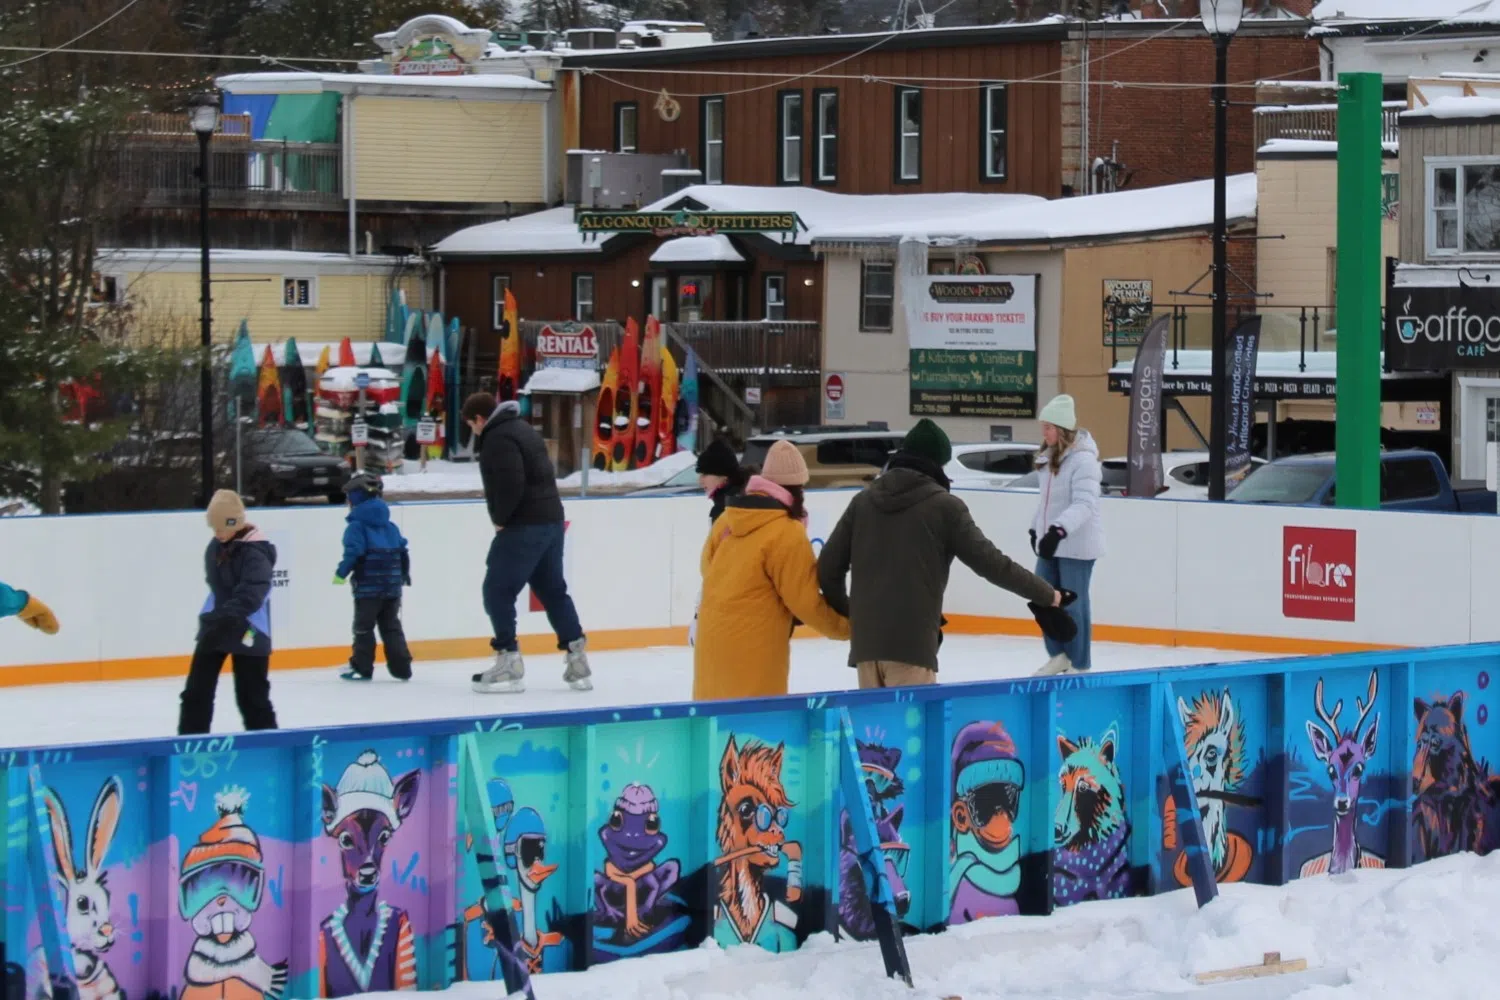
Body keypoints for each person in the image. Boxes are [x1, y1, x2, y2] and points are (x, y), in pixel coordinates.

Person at [818, 418, 1067, 690]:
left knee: (874, 733)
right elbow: (992, 564)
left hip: (867, 649)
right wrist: (1047, 594)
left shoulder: (863, 501)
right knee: (911, 731)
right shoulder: (944, 507)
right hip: (911, 647)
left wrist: (856, 614)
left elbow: (828, 569)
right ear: (937, 464)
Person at [694, 439, 850, 700]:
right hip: (755, 656)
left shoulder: (728, 518)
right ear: (797, 487)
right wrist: (849, 627)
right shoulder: (786, 532)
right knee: (754, 736)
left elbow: (707, 568)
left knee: (716, 733)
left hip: (711, 648)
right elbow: (806, 602)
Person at [462, 392, 592, 695]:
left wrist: (501, 518)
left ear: (480, 419)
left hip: (524, 524)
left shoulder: (498, 438)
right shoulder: (521, 428)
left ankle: (508, 659)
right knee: (552, 590)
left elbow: (510, 483)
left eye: (472, 425)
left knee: (496, 590)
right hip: (550, 521)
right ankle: (577, 659)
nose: (474, 431)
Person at [180, 489, 278, 734]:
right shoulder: (215, 547)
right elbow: (216, 584)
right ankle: (190, 745)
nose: (218, 533)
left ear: (236, 522)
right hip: (217, 623)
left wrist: (225, 615)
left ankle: (267, 747)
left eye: (222, 527)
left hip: (250, 628)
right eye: (214, 528)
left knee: (251, 697)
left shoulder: (255, 553)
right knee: (196, 692)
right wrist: (214, 618)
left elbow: (252, 594)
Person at [1030, 395, 1104, 675]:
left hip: (1077, 545)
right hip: (1051, 542)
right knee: (1042, 598)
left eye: (1048, 427)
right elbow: (1047, 503)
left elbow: (1085, 503)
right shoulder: (1048, 460)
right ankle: (1058, 654)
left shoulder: (1084, 461)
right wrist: (1035, 527)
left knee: (1074, 605)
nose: (1044, 432)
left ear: (1062, 429)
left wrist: (1058, 530)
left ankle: (1080, 662)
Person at [333, 472, 413, 682]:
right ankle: (402, 667)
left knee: (363, 628)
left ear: (355, 500)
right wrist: (404, 575)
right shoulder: (390, 526)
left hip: (368, 589)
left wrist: (341, 573)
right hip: (392, 588)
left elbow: (354, 553)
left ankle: (362, 667)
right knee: (391, 626)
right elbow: (403, 551)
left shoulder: (356, 527)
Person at [695, 437, 751, 523]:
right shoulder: (731, 501)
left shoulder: (730, 508)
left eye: (705, 475)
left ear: (724, 476)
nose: (700, 481)